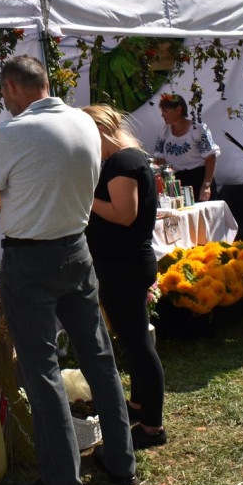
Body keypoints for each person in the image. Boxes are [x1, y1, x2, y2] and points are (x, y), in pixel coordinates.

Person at [0, 55, 136, 485]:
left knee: (42, 371)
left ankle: (62, 484)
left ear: (11, 87)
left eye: (3, 93)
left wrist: (16, 193)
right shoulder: (85, 122)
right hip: (77, 249)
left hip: (30, 261)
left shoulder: (10, 133)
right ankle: (122, 462)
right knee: (99, 358)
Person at [82, 104, 166, 450]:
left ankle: (152, 428)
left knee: (139, 346)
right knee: (135, 341)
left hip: (125, 267)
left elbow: (124, 214)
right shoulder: (125, 159)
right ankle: (138, 407)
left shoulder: (122, 162)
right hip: (124, 265)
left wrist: (84, 199)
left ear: (100, 131)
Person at [152, 93, 220, 201]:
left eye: (166, 111)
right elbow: (160, 159)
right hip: (177, 182)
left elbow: (210, 158)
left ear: (178, 109)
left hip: (198, 179)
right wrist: (165, 185)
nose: (162, 115)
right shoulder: (164, 131)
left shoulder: (197, 129)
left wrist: (206, 185)